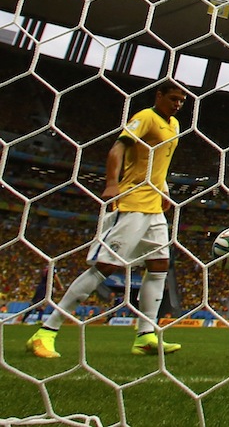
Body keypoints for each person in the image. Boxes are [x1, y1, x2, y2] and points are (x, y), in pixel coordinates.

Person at [27, 82, 187, 358]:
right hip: (132, 202)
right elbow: (117, 149)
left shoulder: (174, 125)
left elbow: (158, 165)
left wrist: (165, 191)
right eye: (173, 99)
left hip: (154, 206)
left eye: (182, 101)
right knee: (105, 267)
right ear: (158, 95)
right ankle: (46, 331)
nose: (177, 105)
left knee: (160, 265)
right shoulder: (144, 117)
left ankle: (146, 335)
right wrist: (112, 183)